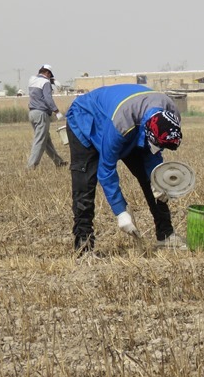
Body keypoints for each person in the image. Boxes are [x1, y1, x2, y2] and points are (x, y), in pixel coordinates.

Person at [64, 83, 186, 254]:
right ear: (150, 133)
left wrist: (157, 179)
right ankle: (84, 246)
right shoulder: (121, 125)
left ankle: (165, 234)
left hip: (135, 125)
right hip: (88, 120)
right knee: (85, 185)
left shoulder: (170, 113)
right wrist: (120, 211)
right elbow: (106, 170)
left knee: (154, 179)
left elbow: (154, 152)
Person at [27, 64, 68, 169]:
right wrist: (57, 111)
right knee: (40, 140)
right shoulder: (46, 83)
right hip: (41, 113)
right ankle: (31, 166)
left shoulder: (32, 79)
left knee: (46, 141)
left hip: (32, 113)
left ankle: (58, 162)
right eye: (50, 75)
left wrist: (51, 80)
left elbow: (39, 79)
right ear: (48, 73)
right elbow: (48, 99)